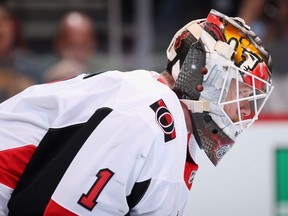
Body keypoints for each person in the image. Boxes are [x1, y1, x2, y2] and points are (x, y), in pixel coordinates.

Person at [0, 9, 273, 215]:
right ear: (205, 74)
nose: (246, 110)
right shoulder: (142, 115)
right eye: (242, 91)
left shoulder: (166, 122)